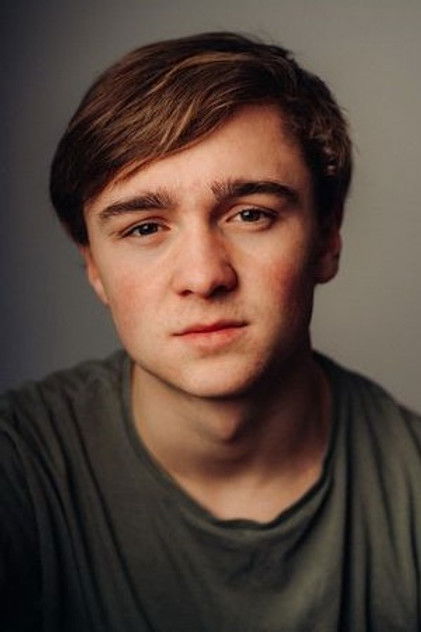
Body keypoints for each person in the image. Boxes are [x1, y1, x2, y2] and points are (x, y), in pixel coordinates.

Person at [1, 31, 420, 632]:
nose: (203, 277)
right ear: (94, 266)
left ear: (327, 239)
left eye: (251, 215)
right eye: (145, 228)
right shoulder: (19, 469)